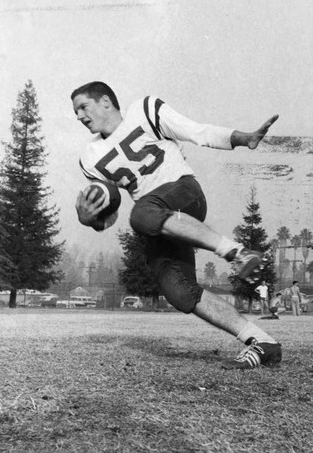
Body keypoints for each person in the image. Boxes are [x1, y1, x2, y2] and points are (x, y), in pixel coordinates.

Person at [72, 81, 282, 370]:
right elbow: (107, 215)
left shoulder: (144, 111)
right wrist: (88, 218)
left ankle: (237, 252)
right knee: (179, 292)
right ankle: (262, 342)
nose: (80, 116)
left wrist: (243, 138)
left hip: (184, 193)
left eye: (83, 107)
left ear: (105, 101)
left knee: (143, 212)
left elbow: (198, 132)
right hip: (157, 220)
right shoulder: (90, 157)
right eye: (75, 112)